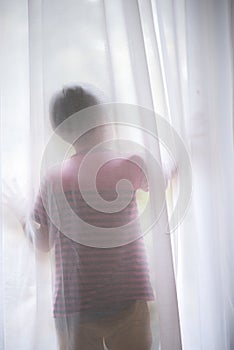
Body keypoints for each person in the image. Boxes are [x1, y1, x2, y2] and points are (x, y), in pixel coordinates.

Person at [17, 84, 155, 349]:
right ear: (105, 120)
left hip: (73, 306)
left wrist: (23, 218)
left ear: (61, 132)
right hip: (126, 298)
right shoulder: (129, 166)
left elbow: (44, 243)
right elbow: (162, 179)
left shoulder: (53, 179)